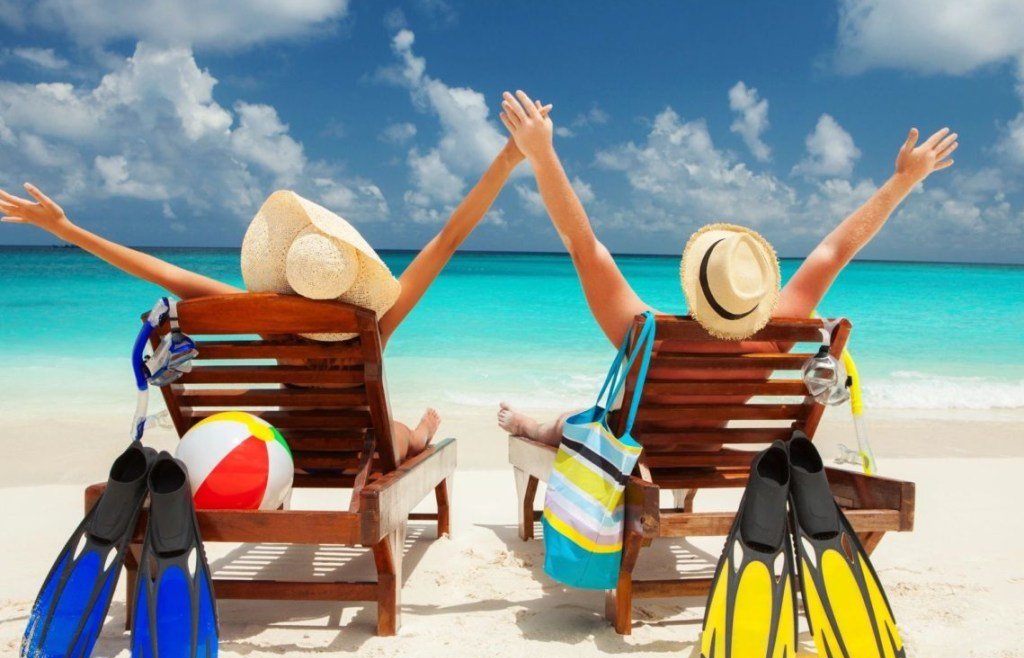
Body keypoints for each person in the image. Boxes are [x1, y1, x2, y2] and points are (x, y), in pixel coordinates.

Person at [0, 113, 547, 460]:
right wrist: (509, 157)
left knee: (319, 415)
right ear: (353, 281)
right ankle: (421, 434)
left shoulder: (264, 316)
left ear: (289, 274)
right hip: (361, 447)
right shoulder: (374, 323)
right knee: (401, 432)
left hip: (288, 446)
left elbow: (162, 273)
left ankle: (409, 431)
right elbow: (449, 239)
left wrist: (66, 230)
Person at [494, 89, 958, 446]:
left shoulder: (649, 337)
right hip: (706, 447)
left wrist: (541, 152)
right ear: (756, 293)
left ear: (695, 284)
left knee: (569, 422)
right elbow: (833, 253)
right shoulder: (774, 337)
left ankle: (532, 426)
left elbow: (582, 247)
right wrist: (903, 181)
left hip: (637, 452)